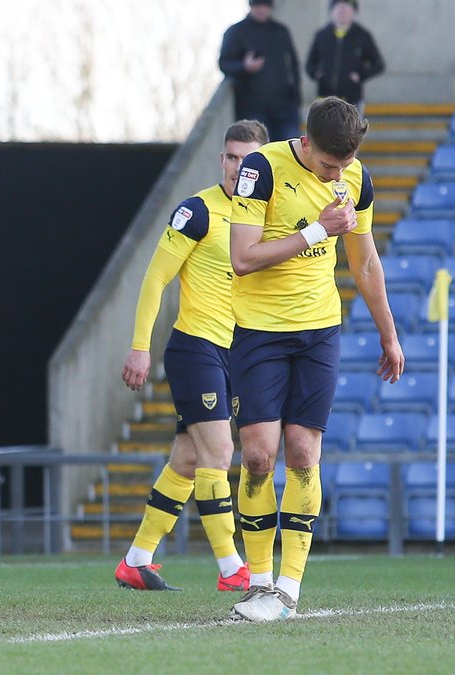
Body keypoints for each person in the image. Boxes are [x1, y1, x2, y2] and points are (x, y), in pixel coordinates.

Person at [227, 96, 403, 622]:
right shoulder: (261, 170)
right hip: (259, 331)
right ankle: (257, 581)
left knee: (303, 452)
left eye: (345, 165)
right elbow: (242, 258)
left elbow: (365, 262)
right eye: (329, 165)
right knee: (258, 455)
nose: (338, 175)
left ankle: (287, 589)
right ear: (306, 144)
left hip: (319, 332)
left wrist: (388, 335)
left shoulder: (357, 179)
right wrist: (315, 231)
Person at [114, 120, 268, 593]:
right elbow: (155, 278)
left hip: (237, 351)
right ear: (220, 159)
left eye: (247, 159)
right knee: (219, 453)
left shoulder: (266, 215)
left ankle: (137, 560)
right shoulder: (198, 211)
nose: (237, 166)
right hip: (196, 347)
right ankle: (231, 568)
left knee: (186, 460)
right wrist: (141, 345)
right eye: (230, 156)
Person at [218, 0, 302, 141]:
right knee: (259, 155)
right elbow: (224, 64)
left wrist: (296, 97)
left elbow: (293, 65)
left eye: (265, 5)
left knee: (291, 153)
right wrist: (244, 66)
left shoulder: (281, 31)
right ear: (251, 6)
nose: (262, 9)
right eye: (257, 5)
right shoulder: (236, 32)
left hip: (285, 107)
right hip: (252, 109)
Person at [305, 0, 385, 114]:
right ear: (331, 11)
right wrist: (317, 73)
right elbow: (309, 64)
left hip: (351, 102)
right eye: (338, 6)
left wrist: (360, 75)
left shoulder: (363, 36)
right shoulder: (322, 35)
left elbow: (378, 64)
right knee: (324, 131)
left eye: (346, 6)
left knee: (350, 131)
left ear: (354, 11)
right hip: (324, 100)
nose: (342, 10)